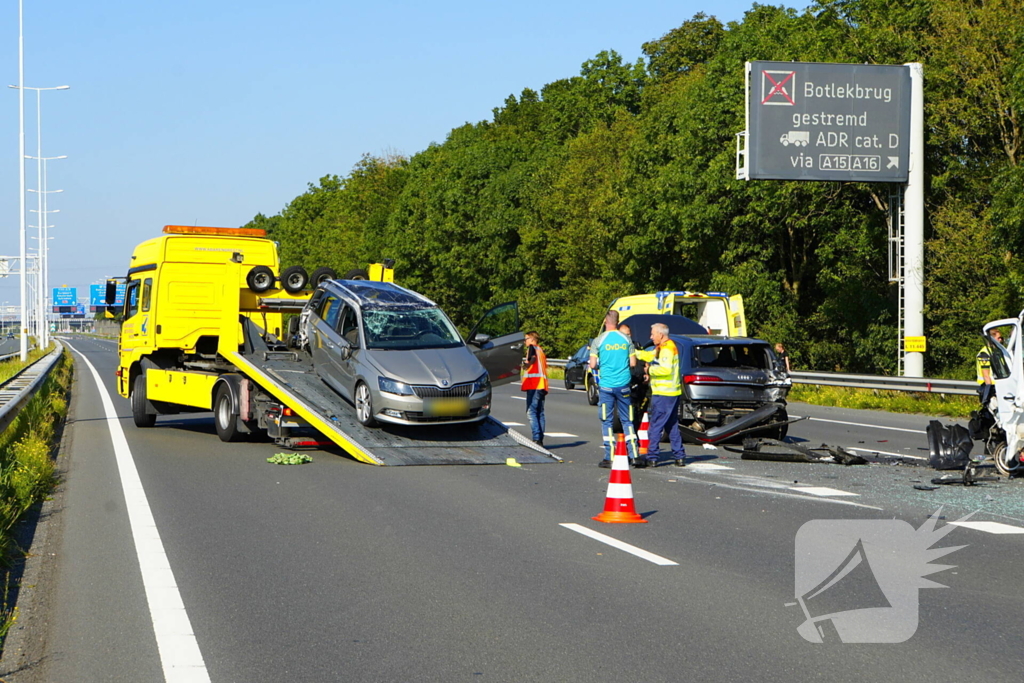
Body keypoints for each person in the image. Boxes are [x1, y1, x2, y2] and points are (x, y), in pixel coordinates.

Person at [589, 310, 640, 467]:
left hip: (607, 386)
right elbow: (633, 363)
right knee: (627, 420)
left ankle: (609, 457)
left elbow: (592, 365)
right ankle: (634, 455)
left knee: (607, 420)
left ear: (606, 321)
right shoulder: (626, 339)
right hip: (624, 384)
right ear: (618, 321)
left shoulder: (599, 340)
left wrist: (602, 365)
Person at [636, 322, 686, 467]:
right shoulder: (663, 347)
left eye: (653, 334)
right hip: (671, 392)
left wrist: (648, 371)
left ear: (661, 334)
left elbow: (665, 370)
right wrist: (635, 352)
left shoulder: (667, 349)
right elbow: (650, 354)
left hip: (664, 393)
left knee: (656, 425)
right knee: (671, 425)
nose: (651, 337)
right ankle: (679, 456)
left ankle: (652, 457)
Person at [521, 331, 548, 446]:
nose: (525, 341)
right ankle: (540, 438)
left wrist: (527, 365)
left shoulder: (532, 348)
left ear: (532, 339)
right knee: (539, 412)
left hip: (534, 385)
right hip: (542, 385)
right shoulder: (540, 350)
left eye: (526, 339)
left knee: (531, 412)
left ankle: (536, 439)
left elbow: (532, 358)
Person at [977, 329, 1004, 405]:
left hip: (998, 385)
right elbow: (986, 375)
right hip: (989, 387)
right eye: (998, 338)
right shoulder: (985, 353)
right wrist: (988, 395)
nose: (1001, 340)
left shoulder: (996, 352)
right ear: (991, 339)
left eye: (1001, 338)